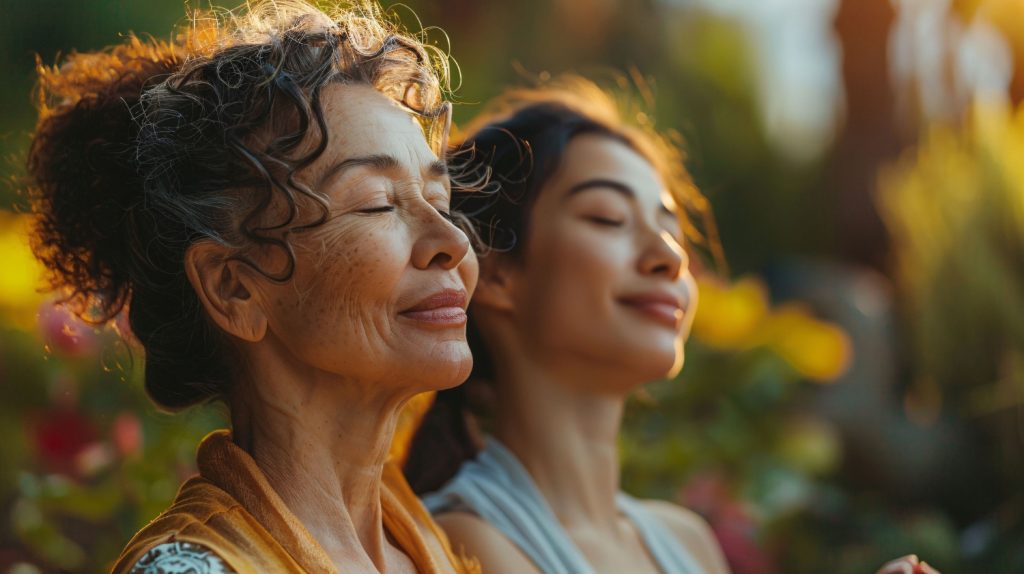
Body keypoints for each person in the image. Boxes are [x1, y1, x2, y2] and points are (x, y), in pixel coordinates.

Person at [404, 77, 938, 574]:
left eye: (671, 229)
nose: (668, 256)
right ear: (494, 275)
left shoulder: (687, 542)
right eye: (607, 218)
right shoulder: (465, 540)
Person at [27, 1, 479, 572]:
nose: (453, 242)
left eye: (441, 202)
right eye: (377, 203)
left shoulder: (426, 549)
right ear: (233, 288)